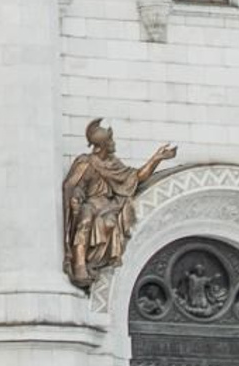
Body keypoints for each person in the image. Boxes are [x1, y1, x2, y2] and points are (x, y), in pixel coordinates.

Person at [65, 120, 177, 290]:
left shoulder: (114, 164)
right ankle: (80, 263)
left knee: (110, 224)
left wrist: (157, 158)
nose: (114, 143)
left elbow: (137, 177)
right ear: (102, 145)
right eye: (110, 140)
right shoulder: (86, 163)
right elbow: (75, 186)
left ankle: (93, 261)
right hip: (90, 204)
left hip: (107, 206)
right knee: (86, 220)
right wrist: (76, 198)